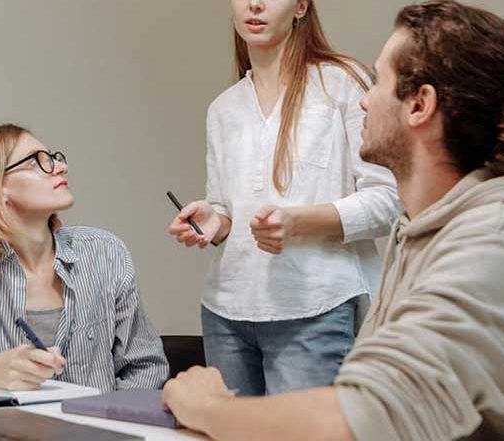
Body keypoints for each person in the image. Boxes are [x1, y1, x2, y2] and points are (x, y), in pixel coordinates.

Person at [161, 1, 504, 440]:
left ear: (419, 106)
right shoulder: (422, 234)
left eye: (378, 81)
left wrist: (209, 408)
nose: (364, 98)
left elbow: (361, 419)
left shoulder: (496, 243)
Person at [167, 0, 399, 396]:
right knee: (230, 429)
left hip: (315, 309)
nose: (255, 4)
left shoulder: (341, 82)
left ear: (300, 6)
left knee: (303, 428)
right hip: (226, 312)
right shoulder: (223, 109)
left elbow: (387, 199)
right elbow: (226, 208)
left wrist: (298, 222)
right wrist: (215, 221)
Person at [0, 124, 169, 392]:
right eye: (36, 161)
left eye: (53, 158)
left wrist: (109, 415)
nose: (60, 167)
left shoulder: (105, 252)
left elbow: (147, 367)